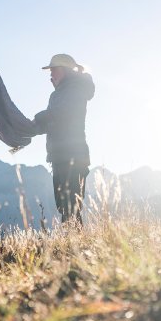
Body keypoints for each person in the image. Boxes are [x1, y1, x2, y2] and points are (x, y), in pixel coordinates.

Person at [33, 54, 95, 226]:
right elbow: (51, 122)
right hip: (60, 156)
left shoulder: (76, 89)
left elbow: (63, 113)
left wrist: (39, 118)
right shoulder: (57, 95)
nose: (50, 75)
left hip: (73, 156)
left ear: (63, 70)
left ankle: (76, 247)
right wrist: (28, 130)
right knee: (64, 206)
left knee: (70, 205)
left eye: (53, 70)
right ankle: (73, 245)